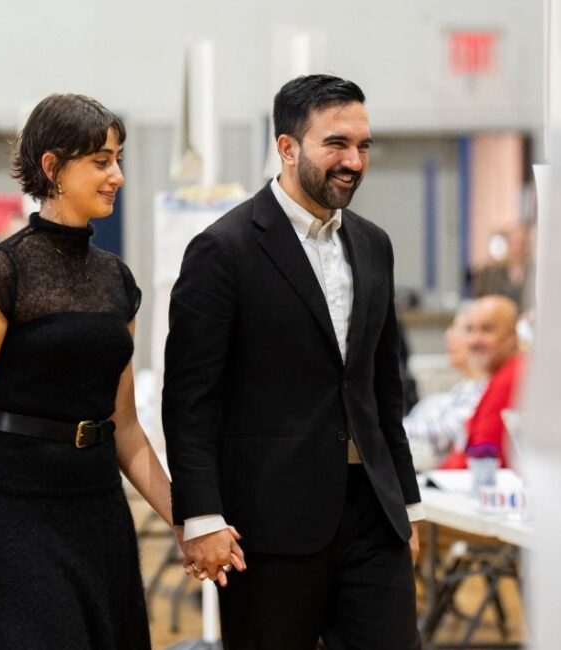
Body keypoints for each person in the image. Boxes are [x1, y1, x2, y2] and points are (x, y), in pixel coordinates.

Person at [0, 94, 209, 649]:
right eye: (101, 161)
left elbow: (124, 425)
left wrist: (187, 521)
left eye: (118, 159)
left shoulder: (116, 280)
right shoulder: (1, 272)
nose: (118, 176)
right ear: (53, 168)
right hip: (10, 512)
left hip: (96, 510)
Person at [163, 74, 424, 650]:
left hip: (373, 518)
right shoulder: (222, 250)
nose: (354, 161)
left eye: (363, 146)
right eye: (337, 144)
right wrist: (201, 517)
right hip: (269, 524)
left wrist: (407, 503)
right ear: (287, 148)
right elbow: (189, 401)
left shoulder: (374, 243)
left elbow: (383, 390)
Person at [439, 295, 525, 469]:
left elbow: (483, 456)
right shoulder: (497, 376)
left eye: (487, 329)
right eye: (469, 330)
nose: (474, 340)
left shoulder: (511, 377)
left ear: (512, 335)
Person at [404, 301, 488, 471]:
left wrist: (381, 429)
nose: (449, 335)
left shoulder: (484, 390)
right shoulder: (460, 390)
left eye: (463, 329)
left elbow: (445, 432)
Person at [472, 222, 533, 310]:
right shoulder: (491, 272)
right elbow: (482, 301)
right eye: (513, 243)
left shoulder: (532, 273)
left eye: (522, 244)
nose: (517, 249)